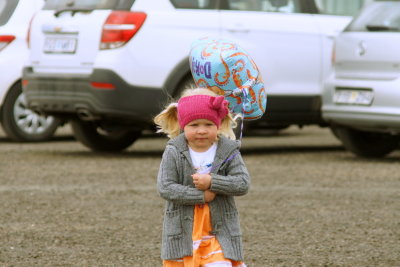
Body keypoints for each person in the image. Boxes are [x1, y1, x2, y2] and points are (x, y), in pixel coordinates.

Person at [154, 88, 250, 266]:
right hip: (184, 231)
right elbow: (165, 186)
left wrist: (213, 182)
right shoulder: (174, 150)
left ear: (218, 124)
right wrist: (200, 196)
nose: (201, 131)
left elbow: (242, 183)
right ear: (183, 125)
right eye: (194, 125)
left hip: (218, 229)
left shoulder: (228, 150)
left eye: (208, 124)